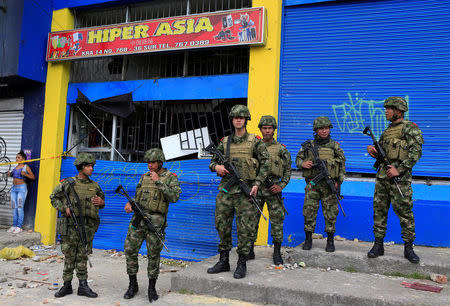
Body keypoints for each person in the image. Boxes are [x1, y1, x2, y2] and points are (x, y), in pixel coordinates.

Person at [207, 104, 270, 279]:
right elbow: (211, 163)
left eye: (241, 117)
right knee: (222, 226)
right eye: (235, 117)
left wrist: (257, 183)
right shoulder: (225, 142)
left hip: (246, 192)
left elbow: (266, 163)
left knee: (245, 228)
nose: (238, 120)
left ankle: (241, 263)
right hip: (226, 192)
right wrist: (217, 166)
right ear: (232, 120)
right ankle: (224, 261)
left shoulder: (255, 141)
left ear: (246, 120)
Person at [366, 96, 423, 263]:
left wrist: (399, 169)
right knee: (379, 212)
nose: (386, 111)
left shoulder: (410, 129)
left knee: (405, 213)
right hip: (383, 178)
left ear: (398, 111)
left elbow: (416, 153)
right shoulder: (387, 130)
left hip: (400, 180)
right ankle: (378, 245)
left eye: (388, 109)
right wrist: (374, 151)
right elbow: (384, 154)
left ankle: (408, 247)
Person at [123, 148, 181, 303]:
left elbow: (174, 197)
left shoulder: (170, 177)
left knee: (153, 254)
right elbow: (137, 196)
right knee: (129, 249)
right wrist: (130, 204)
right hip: (138, 219)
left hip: (155, 221)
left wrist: (159, 182)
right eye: (148, 162)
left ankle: (151, 287)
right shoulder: (144, 177)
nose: (150, 165)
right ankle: (133, 284)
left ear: (160, 162)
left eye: (153, 162)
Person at [50, 153, 105, 298]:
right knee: (69, 256)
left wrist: (101, 202)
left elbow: (102, 201)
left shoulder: (95, 186)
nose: (91, 168)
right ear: (81, 167)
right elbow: (53, 198)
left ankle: (83, 286)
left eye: (92, 166)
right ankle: (66, 285)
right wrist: (64, 208)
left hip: (87, 227)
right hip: (70, 227)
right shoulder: (68, 183)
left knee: (82, 256)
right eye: (88, 166)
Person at [296, 116, 346, 252]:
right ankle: (308, 238)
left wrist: (338, 182)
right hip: (312, 185)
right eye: (321, 129)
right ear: (316, 130)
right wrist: (303, 164)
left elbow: (342, 166)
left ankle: (330, 240)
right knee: (309, 211)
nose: (324, 131)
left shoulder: (335, 146)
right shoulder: (309, 146)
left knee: (330, 213)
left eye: (326, 128)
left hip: (329, 186)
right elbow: (298, 160)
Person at [250, 115, 291, 265]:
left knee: (277, 221)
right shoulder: (253, 147)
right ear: (261, 129)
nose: (267, 131)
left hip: (274, 189)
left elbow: (288, 170)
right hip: (257, 189)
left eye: (270, 128)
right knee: (251, 220)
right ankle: (249, 250)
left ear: (274, 130)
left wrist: (281, 185)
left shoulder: (281, 149)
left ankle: (276, 252)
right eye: (264, 128)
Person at [6, 150, 35, 233]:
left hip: (21, 189)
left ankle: (19, 226)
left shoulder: (26, 167)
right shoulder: (15, 168)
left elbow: (33, 177)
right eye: (16, 157)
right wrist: (10, 174)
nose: (17, 159)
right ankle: (14, 225)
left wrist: (25, 174)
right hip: (14, 188)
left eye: (19, 157)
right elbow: (14, 175)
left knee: (19, 207)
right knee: (13, 207)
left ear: (23, 159)